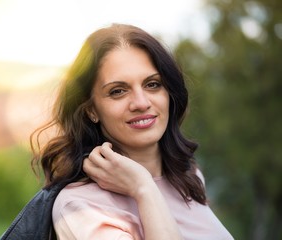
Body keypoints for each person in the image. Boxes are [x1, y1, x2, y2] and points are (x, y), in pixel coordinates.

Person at [31, 23, 234, 240]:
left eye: (153, 84)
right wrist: (143, 188)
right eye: (118, 91)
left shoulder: (189, 177)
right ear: (91, 109)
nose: (141, 102)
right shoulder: (81, 206)